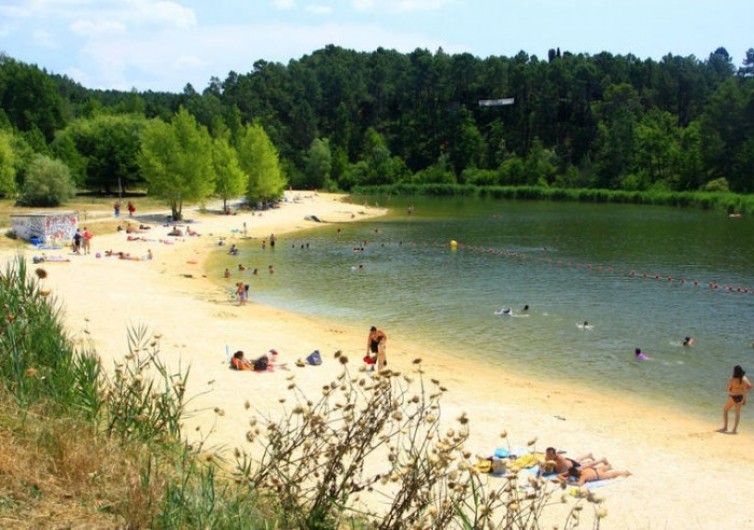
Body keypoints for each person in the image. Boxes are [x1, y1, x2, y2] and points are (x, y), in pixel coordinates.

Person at [719, 365, 752, 434]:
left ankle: (725, 427)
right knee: (737, 414)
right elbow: (745, 391)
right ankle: (734, 430)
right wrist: (745, 400)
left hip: (733, 397)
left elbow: (728, 389)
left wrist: (731, 388)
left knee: (725, 410)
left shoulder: (732, 380)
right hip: (740, 397)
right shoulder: (744, 380)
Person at [561, 463, 631, 487]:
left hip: (598, 474)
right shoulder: (582, 470)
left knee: (613, 474)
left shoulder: (583, 476)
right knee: (606, 468)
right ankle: (609, 467)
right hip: (596, 469)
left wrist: (569, 483)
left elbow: (579, 484)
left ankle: (625, 473)